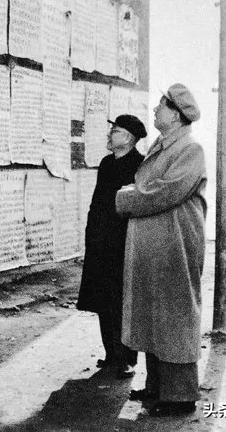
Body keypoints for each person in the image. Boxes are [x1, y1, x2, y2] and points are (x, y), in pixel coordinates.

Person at [115, 83, 207, 417]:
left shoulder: (190, 149)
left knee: (176, 316)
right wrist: (135, 191)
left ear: (178, 115)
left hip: (176, 246)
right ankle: (157, 387)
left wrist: (124, 197)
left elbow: (162, 193)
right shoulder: (163, 144)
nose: (155, 110)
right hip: (158, 246)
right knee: (155, 313)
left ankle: (181, 396)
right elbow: (147, 186)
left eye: (162, 106)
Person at [77, 114, 147, 379]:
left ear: (128, 137)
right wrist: (91, 234)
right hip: (100, 241)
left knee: (124, 302)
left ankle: (127, 359)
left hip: (124, 242)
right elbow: (98, 203)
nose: (109, 135)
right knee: (104, 300)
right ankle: (111, 355)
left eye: (114, 131)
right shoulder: (107, 163)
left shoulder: (140, 165)